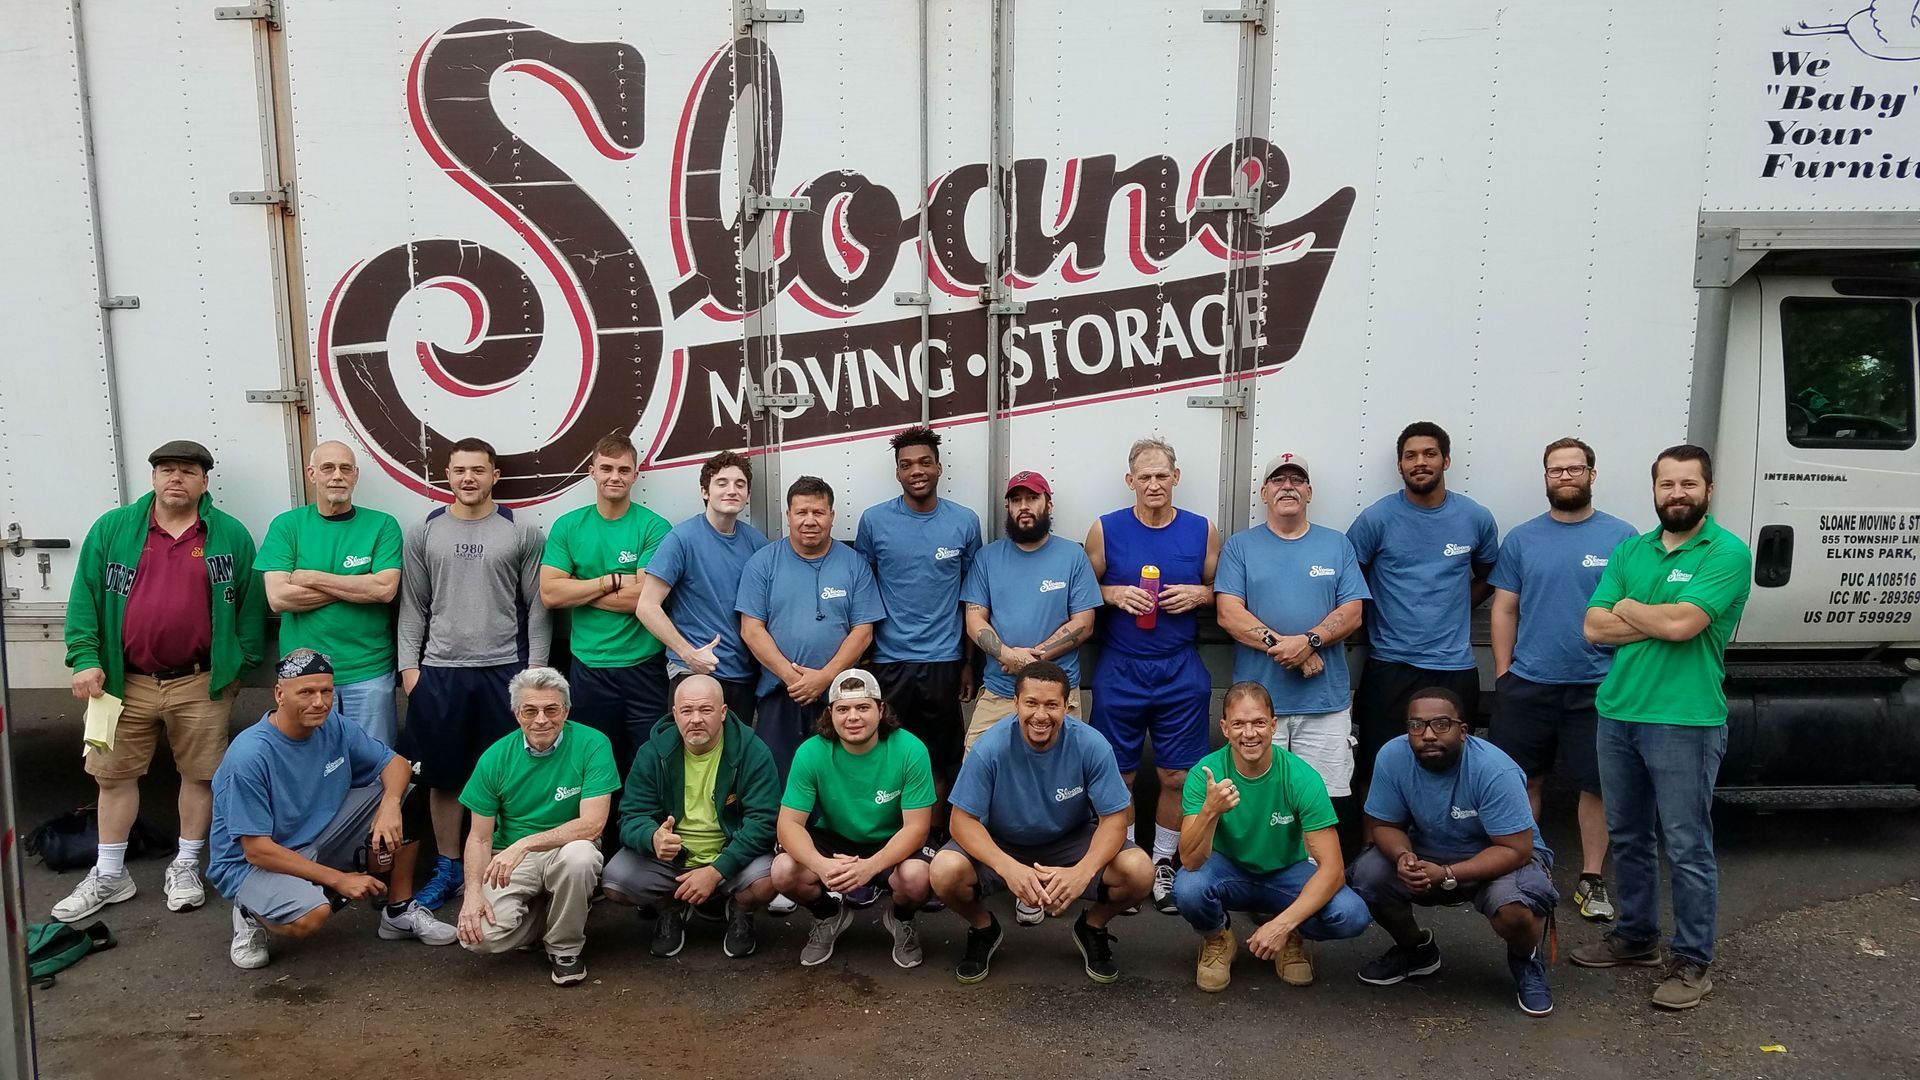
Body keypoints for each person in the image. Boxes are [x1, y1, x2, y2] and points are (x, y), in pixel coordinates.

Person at [1572, 444, 1752, 1011]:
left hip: (1685, 720)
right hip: (1618, 712)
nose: (1677, 493)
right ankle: (1636, 939)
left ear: (1708, 490)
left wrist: (1631, 607)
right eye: (1667, 484)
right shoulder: (1633, 548)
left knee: (1686, 844)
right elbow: (1594, 629)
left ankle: (1693, 960)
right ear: (1654, 490)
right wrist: (1655, 615)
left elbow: (1683, 626)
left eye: (1688, 484)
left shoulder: (1725, 552)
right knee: (1628, 836)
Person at [57, 439, 266, 923]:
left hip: (199, 681)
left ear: (204, 482)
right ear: (152, 478)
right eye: (167, 470)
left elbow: (249, 608)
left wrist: (239, 664)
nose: (176, 478)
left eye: (188, 472)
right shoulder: (114, 530)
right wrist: (84, 657)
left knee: (200, 774)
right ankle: (110, 874)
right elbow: (85, 598)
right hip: (120, 682)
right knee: (113, 777)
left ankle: (187, 864)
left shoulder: (227, 535)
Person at [211, 649, 454, 970]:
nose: (319, 702)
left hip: (318, 834)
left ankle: (398, 911)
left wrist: (391, 806)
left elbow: (395, 764)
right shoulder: (249, 755)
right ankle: (249, 911)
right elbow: (256, 850)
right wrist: (340, 880)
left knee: (406, 793)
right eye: (307, 692)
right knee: (311, 916)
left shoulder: (333, 725)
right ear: (279, 694)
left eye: (326, 691)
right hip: (254, 862)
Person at [396, 437, 551, 911]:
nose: (469, 478)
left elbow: (538, 607)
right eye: (460, 470)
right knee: (444, 779)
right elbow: (413, 607)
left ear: (494, 476)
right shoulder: (424, 532)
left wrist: (536, 674)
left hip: (505, 671)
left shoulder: (520, 531)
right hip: (440, 672)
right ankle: (447, 867)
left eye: (478, 470)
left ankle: (499, 868)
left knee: (508, 775)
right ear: (448, 473)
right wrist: (409, 669)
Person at [1487, 437, 1638, 922]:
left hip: (1598, 686)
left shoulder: (1622, 538)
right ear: (1546, 477)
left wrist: (1620, 672)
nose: (1566, 476)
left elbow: (1635, 612)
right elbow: (1504, 608)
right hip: (1528, 683)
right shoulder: (1523, 539)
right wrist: (1504, 674)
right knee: (1522, 780)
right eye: (1556, 470)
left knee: (1596, 786)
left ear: (1592, 475)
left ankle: (1592, 879)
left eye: (1575, 469)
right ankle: (1527, 867)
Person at [929, 662, 1153, 984]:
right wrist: (1008, 868)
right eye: (1031, 703)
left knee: (1140, 871)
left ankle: (1093, 926)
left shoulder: (1091, 745)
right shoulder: (990, 747)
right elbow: (962, 822)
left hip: (1070, 839)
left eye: (1051, 705)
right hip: (1003, 841)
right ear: (1016, 703)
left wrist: (1083, 871)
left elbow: (1115, 818)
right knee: (943, 870)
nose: (1040, 715)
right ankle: (983, 928)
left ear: (1067, 705)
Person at [1351, 688, 1556, 1017]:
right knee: (1367, 874)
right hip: (1429, 848)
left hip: (1500, 855)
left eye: (1441, 724)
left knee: (1515, 906)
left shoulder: (1494, 770)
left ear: (1463, 731)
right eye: (1417, 725)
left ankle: (1527, 960)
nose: (1427, 734)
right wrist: (1403, 856)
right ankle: (1416, 952)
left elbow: (1517, 849)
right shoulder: (1392, 756)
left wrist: (1448, 874)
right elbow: (1382, 826)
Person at [1085, 437, 1220, 914]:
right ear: (1130, 482)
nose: (1154, 484)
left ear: (1176, 478)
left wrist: (1200, 597)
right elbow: (1083, 590)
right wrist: (1115, 593)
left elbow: (1223, 591)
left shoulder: (1204, 530)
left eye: (1162, 475)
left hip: (1179, 665)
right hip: (1120, 665)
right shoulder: (1105, 529)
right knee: (1117, 775)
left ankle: (1163, 862)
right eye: (1144, 477)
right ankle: (1124, 860)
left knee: (1177, 776)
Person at [1214, 452, 1369, 855]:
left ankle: (1323, 881)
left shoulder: (1337, 545)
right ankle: (1262, 878)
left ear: (1309, 492)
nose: (1288, 486)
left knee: (1326, 801)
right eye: (1278, 480)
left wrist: (1310, 641)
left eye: (1296, 480)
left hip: (1325, 704)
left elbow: (1352, 612)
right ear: (1264, 492)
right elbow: (1229, 614)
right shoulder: (1240, 547)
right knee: (1259, 802)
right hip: (1259, 710)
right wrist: (1290, 648)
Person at [1173, 682, 1371, 992]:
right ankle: (1217, 937)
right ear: (1224, 728)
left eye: (1258, 723)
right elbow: (1190, 860)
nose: (1249, 733)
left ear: (1273, 725)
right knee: (1188, 887)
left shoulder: (1301, 777)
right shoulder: (1206, 773)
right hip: (1227, 871)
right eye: (1238, 723)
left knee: (1352, 914)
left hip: (1286, 873)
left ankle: (1293, 938)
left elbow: (1333, 870)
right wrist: (1210, 811)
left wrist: (1283, 924)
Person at [1348, 421, 1500, 789]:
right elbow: (1350, 581)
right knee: (1378, 764)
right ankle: (1376, 844)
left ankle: (1446, 840)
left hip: (1454, 666)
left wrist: (1457, 606)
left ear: (1446, 460)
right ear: (1400, 466)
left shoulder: (1475, 517)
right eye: (1410, 456)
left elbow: (1490, 574)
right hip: (1391, 664)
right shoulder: (1376, 519)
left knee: (1451, 765)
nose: (1420, 462)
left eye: (1430, 454)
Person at [455, 667, 618, 986]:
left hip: (565, 848)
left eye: (551, 709)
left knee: (580, 857)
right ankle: (550, 916)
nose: (541, 719)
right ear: (516, 713)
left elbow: (593, 825)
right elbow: (478, 838)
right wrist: (472, 893)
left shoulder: (592, 744)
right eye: (530, 710)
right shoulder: (495, 758)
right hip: (511, 859)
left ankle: (565, 948)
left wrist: (524, 844)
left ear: (566, 710)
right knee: (477, 938)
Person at [855, 426, 982, 828]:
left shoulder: (964, 522)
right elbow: (862, 589)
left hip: (943, 663)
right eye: (907, 464)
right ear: (897, 472)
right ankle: (888, 838)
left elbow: (972, 601)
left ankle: (934, 840)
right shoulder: (874, 522)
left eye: (925, 462)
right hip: (889, 663)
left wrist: (967, 663)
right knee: (885, 756)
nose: (917, 471)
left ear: (939, 467)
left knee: (940, 759)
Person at [600, 675, 780, 959]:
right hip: (674, 859)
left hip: (730, 856)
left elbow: (763, 823)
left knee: (772, 876)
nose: (695, 719)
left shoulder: (752, 751)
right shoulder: (653, 753)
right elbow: (631, 816)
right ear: (674, 714)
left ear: (723, 713)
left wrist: (716, 870)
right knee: (615, 880)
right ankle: (670, 907)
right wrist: (653, 836)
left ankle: (740, 911)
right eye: (687, 710)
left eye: (706, 710)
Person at [771, 669, 937, 968]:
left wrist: (870, 867)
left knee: (917, 879)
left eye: (863, 707)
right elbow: (788, 824)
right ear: (830, 713)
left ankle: (902, 918)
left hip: (892, 837)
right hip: (836, 837)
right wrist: (821, 865)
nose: (853, 717)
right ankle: (828, 915)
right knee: (783, 870)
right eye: (843, 709)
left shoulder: (910, 749)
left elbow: (917, 828)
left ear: (880, 709)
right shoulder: (811, 752)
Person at [539, 433, 673, 782]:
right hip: (588, 668)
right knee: (595, 763)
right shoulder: (568, 526)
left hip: (643, 667)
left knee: (649, 764)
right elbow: (551, 595)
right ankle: (597, 836)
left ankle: (641, 836)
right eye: (607, 468)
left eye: (623, 470)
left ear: (635, 474)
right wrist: (609, 581)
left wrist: (580, 588)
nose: (615, 476)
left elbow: (645, 599)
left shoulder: (654, 527)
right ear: (592, 472)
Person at [737, 476, 885, 779]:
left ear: (831, 516)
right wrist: (794, 678)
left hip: (841, 698)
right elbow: (751, 629)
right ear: (788, 516)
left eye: (818, 512)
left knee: (840, 777)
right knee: (778, 778)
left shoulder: (854, 564)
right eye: (801, 512)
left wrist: (825, 678)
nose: (810, 521)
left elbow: (863, 631)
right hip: (780, 693)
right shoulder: (763, 562)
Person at [259, 440, 404, 745]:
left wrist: (310, 577)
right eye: (328, 468)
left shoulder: (382, 525)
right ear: (312, 474)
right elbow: (280, 598)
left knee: (374, 768)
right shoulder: (287, 526)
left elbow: (385, 590)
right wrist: (356, 584)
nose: (337, 475)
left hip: (368, 672)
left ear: (355, 475)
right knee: (309, 767)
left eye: (345, 468)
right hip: (303, 675)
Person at [961, 470, 1101, 751]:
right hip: (1001, 693)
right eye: (1015, 500)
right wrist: (1008, 656)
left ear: (1048, 504)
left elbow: (1084, 623)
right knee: (976, 773)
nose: (1023, 506)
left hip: (1057, 697)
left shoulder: (1073, 556)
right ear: (1008, 508)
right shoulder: (986, 558)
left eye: (1032, 498)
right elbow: (974, 619)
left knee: (1059, 782)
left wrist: (1029, 661)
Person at [637, 450, 769, 725]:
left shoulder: (758, 544)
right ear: (705, 491)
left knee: (735, 759)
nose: (731, 490)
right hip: (694, 674)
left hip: (743, 675)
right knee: (692, 758)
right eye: (722, 483)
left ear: (747, 495)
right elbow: (646, 606)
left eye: (740, 484)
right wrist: (688, 654)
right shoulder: (681, 539)